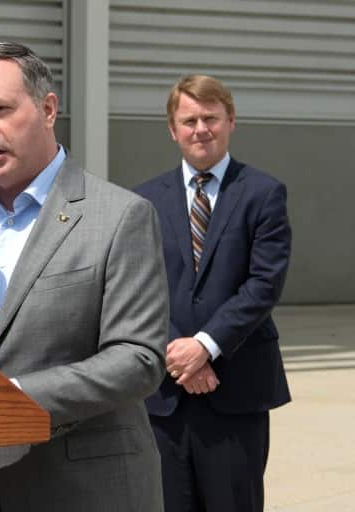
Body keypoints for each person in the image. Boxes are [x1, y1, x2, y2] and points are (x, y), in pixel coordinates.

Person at [0, 41, 169, 512]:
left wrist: (12, 399)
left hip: (77, 487)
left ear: (48, 109)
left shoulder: (121, 215)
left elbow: (138, 358)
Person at [135, 74, 291, 512]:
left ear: (231, 121)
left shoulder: (263, 193)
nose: (200, 129)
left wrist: (205, 346)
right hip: (165, 392)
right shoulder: (144, 200)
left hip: (236, 386)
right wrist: (177, 353)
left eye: (211, 118)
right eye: (189, 120)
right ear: (172, 129)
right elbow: (137, 286)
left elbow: (264, 284)